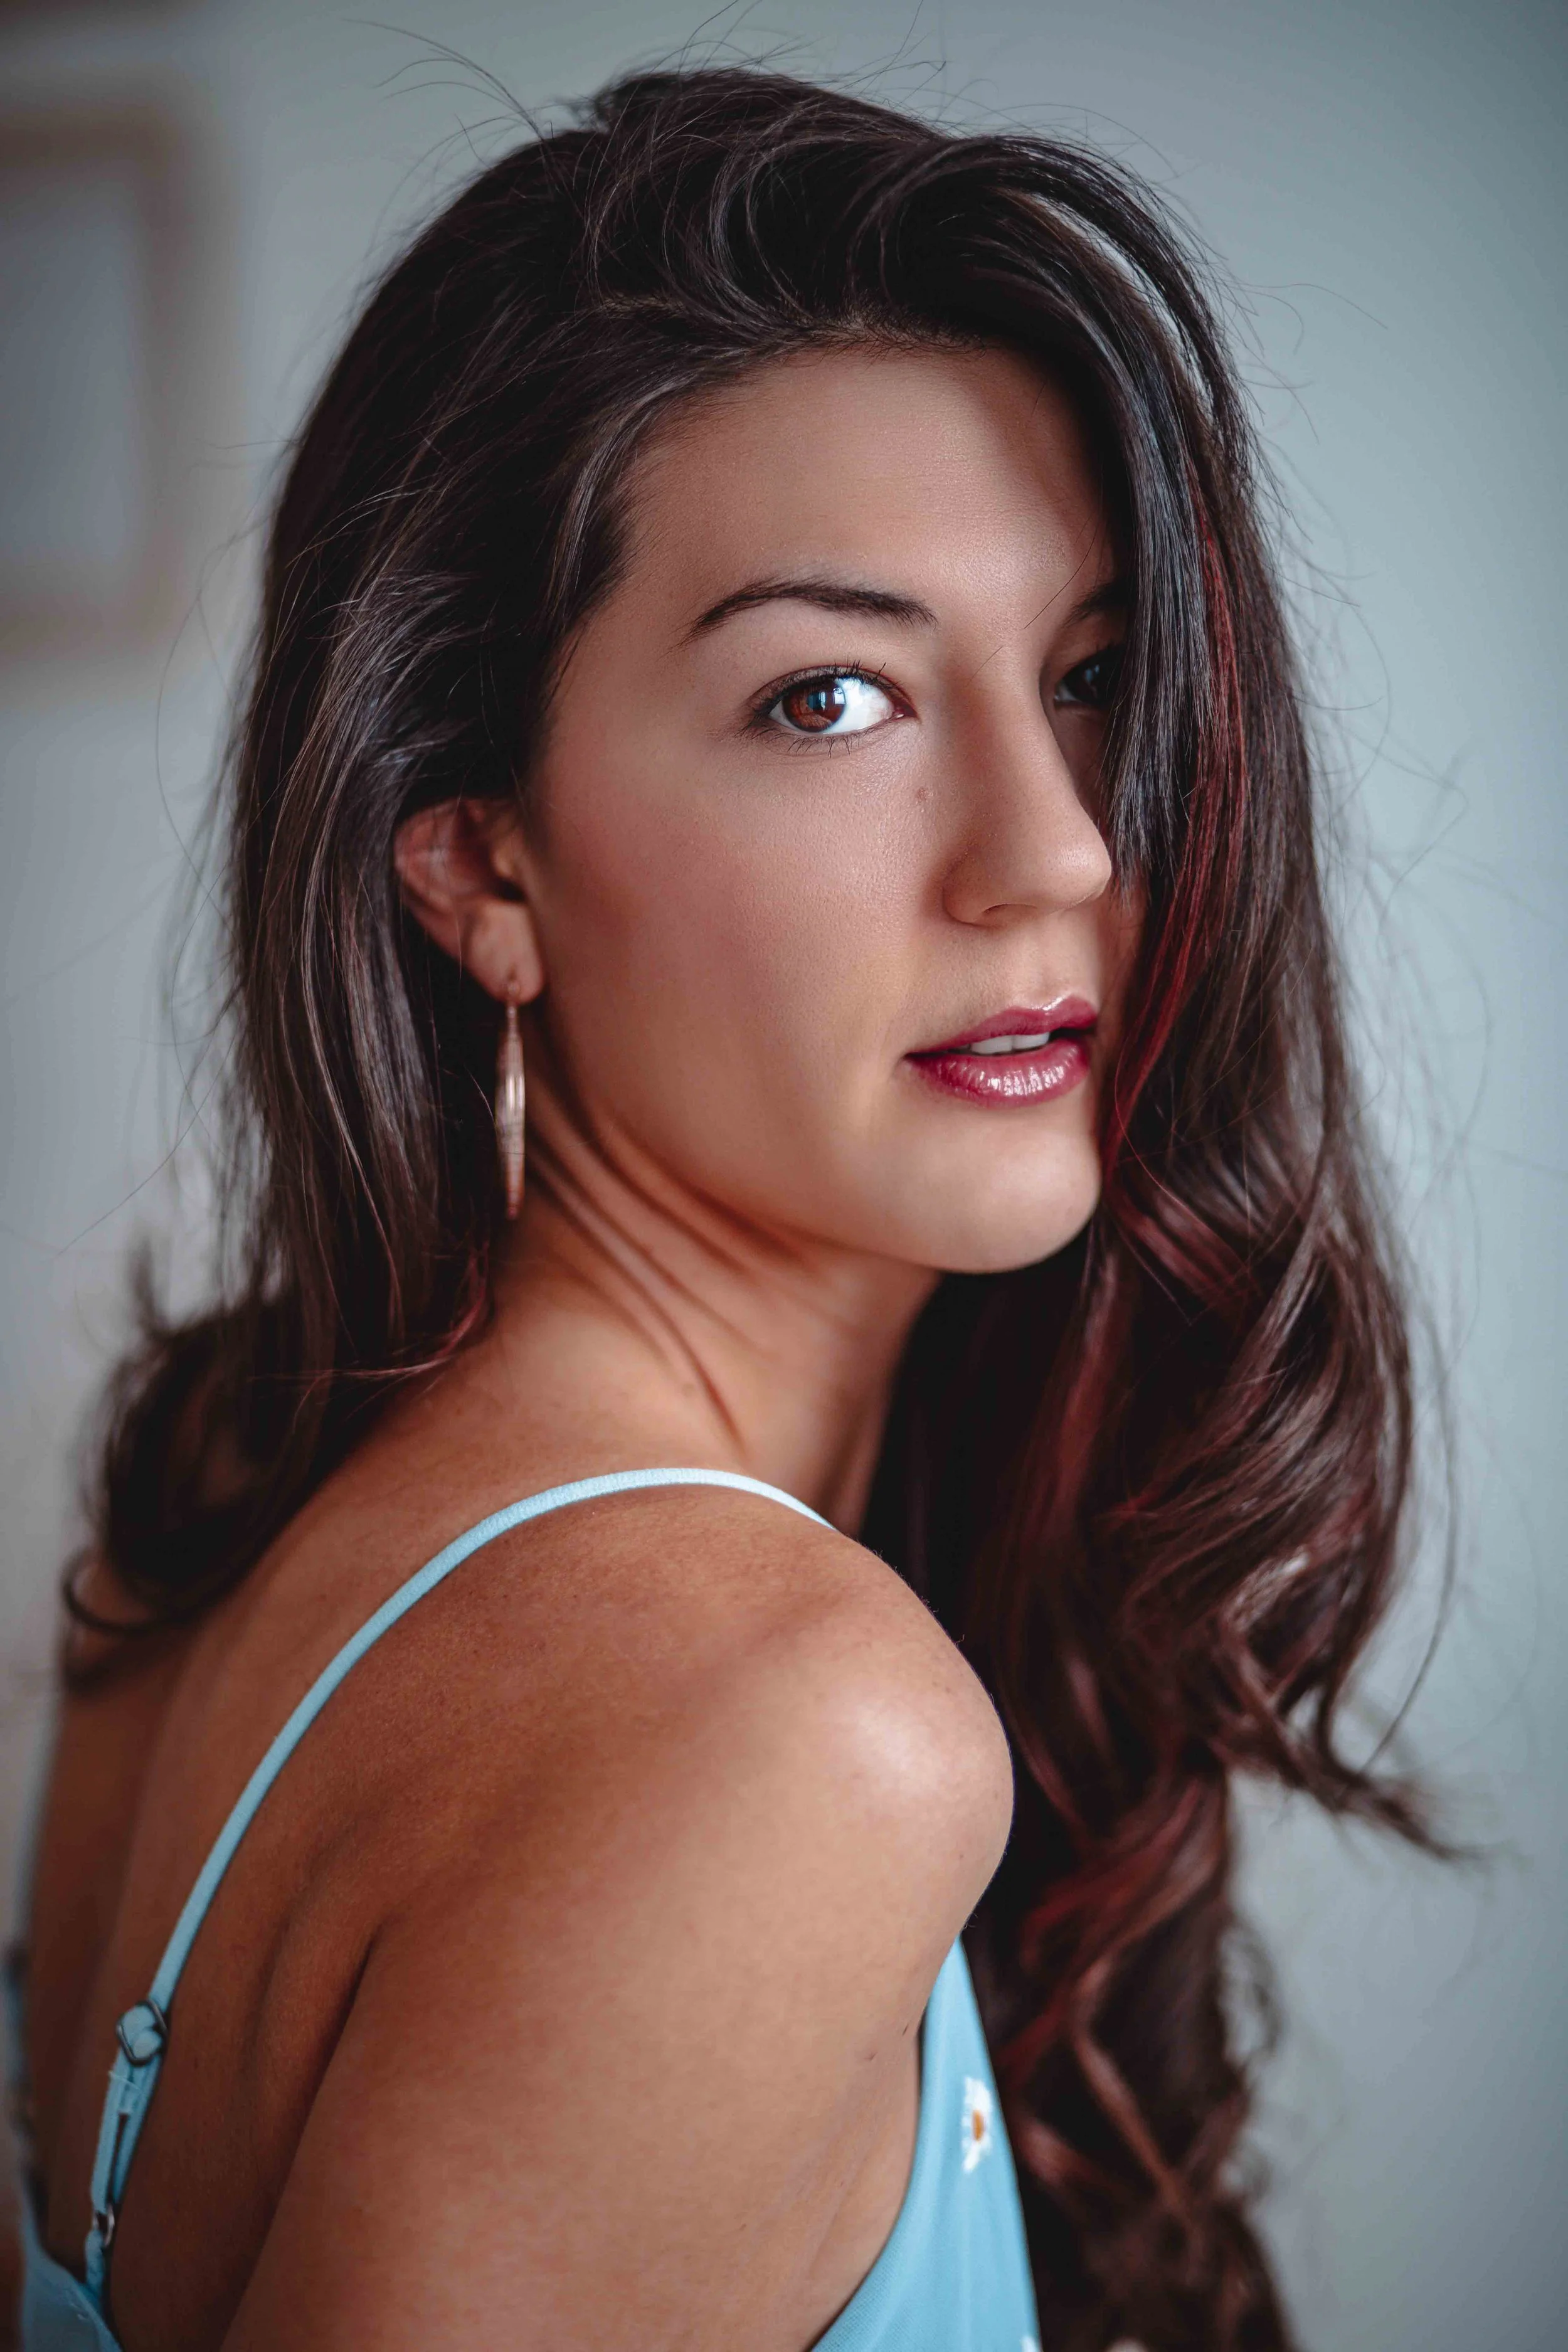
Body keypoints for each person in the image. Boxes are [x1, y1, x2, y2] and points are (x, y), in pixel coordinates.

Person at [6, 65, 1429, 2352]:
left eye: (1086, 681)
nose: (1053, 845)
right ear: (478, 856)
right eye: (831, 695)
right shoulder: (781, 1734)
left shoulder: (222, 1493)